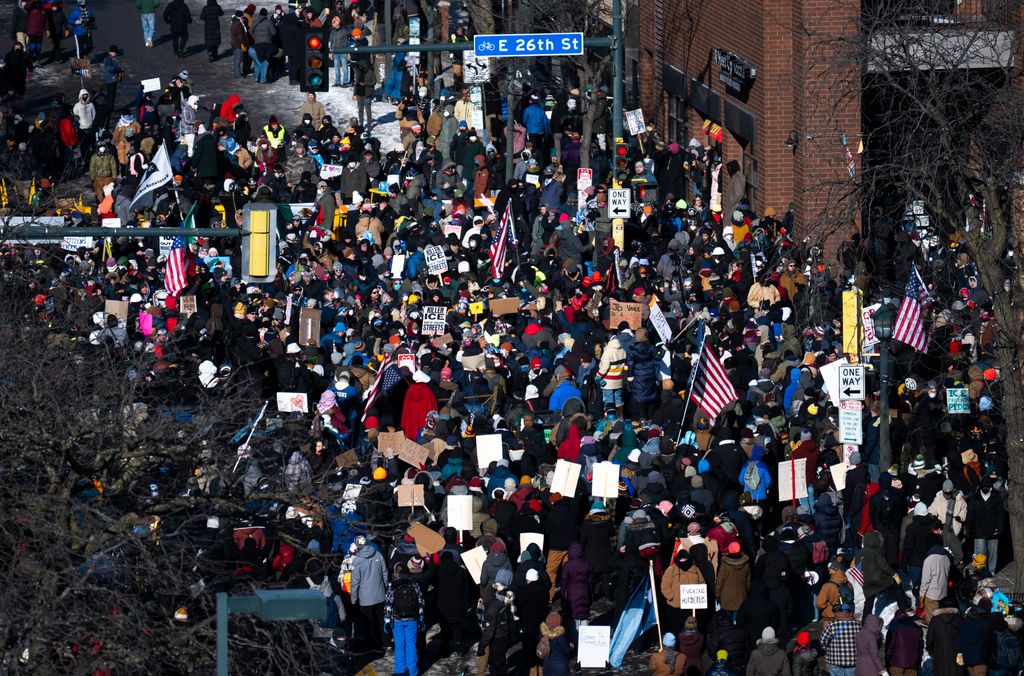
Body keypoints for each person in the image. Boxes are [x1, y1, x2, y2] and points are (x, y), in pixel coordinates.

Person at [384, 562, 424, 676]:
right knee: (411, 646)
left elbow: (388, 604)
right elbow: (421, 602)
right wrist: (421, 618)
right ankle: (413, 672)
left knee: (399, 646)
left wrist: (387, 620)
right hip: (412, 620)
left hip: (397, 620)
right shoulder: (415, 584)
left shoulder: (393, 585)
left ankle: (400, 671)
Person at [350, 535, 388, 654]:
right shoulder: (378, 555)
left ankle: (373, 644)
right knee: (382, 620)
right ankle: (386, 642)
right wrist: (386, 587)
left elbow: (354, 583)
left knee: (369, 622)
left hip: (366, 598)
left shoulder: (357, 561)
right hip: (380, 594)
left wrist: (353, 600)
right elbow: (385, 573)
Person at [819, 604, 858, 676]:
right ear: (851, 612)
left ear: (838, 612)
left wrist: (827, 649)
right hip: (853, 660)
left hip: (835, 659)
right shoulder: (857, 625)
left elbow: (822, 640)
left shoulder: (832, 625)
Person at [101, 45, 122, 110]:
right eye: (114, 52)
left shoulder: (111, 59)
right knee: (110, 96)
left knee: (112, 96)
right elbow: (111, 69)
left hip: (113, 80)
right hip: (110, 80)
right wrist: (119, 69)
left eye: (116, 52)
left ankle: (111, 109)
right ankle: (110, 110)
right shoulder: (108, 59)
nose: (115, 53)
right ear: (109, 52)